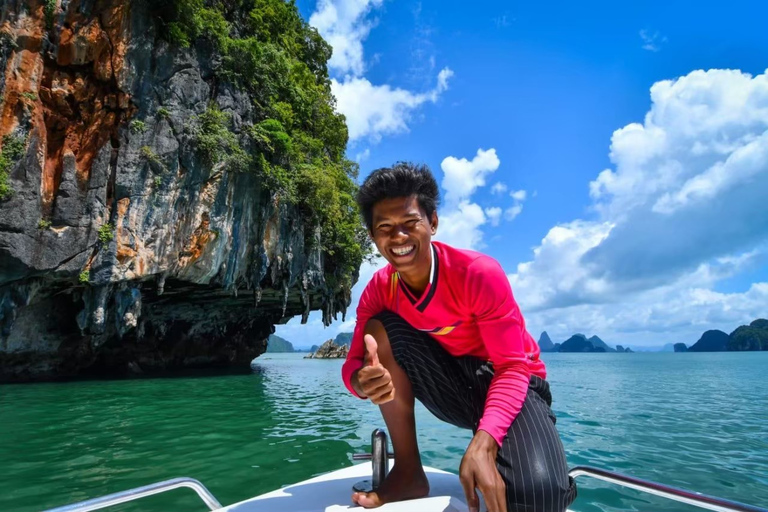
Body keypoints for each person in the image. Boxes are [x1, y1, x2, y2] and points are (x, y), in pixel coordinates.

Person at [341, 162, 577, 512]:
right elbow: (354, 366)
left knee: (540, 495)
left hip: (512, 383)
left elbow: (512, 367)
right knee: (381, 325)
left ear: (432, 222)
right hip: (451, 386)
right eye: (385, 228)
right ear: (374, 237)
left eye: (410, 223)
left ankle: (498, 447)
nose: (399, 237)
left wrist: (485, 441)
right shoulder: (379, 290)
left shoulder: (478, 274)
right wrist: (362, 383)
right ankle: (408, 471)